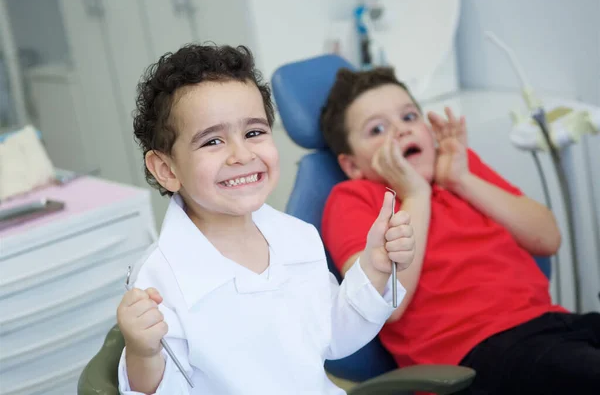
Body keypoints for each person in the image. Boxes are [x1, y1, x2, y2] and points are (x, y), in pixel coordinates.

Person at [115, 44, 416, 395]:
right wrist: (142, 352)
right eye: (213, 141)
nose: (241, 155)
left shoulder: (297, 237)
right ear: (166, 169)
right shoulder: (158, 278)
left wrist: (376, 267)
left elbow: (334, 336)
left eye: (254, 133)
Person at [320, 66, 600, 395]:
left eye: (409, 117)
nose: (400, 131)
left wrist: (462, 179)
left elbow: (548, 238)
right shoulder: (353, 199)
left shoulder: (457, 171)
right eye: (377, 129)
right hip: (477, 356)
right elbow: (385, 304)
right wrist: (415, 195)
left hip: (552, 325)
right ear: (352, 165)